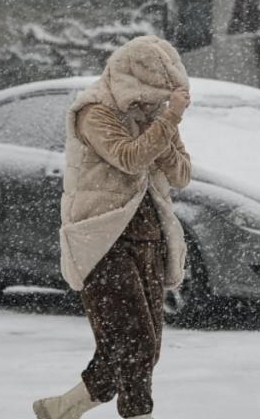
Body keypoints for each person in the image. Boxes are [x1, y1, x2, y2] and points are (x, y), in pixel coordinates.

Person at [33, 36, 192, 419]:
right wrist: (168, 120)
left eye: (158, 101)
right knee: (134, 342)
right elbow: (129, 158)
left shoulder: (154, 118)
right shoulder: (94, 112)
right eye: (147, 99)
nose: (151, 107)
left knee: (139, 348)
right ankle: (138, 414)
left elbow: (182, 174)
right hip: (101, 241)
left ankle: (61, 409)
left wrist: (163, 127)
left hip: (149, 238)